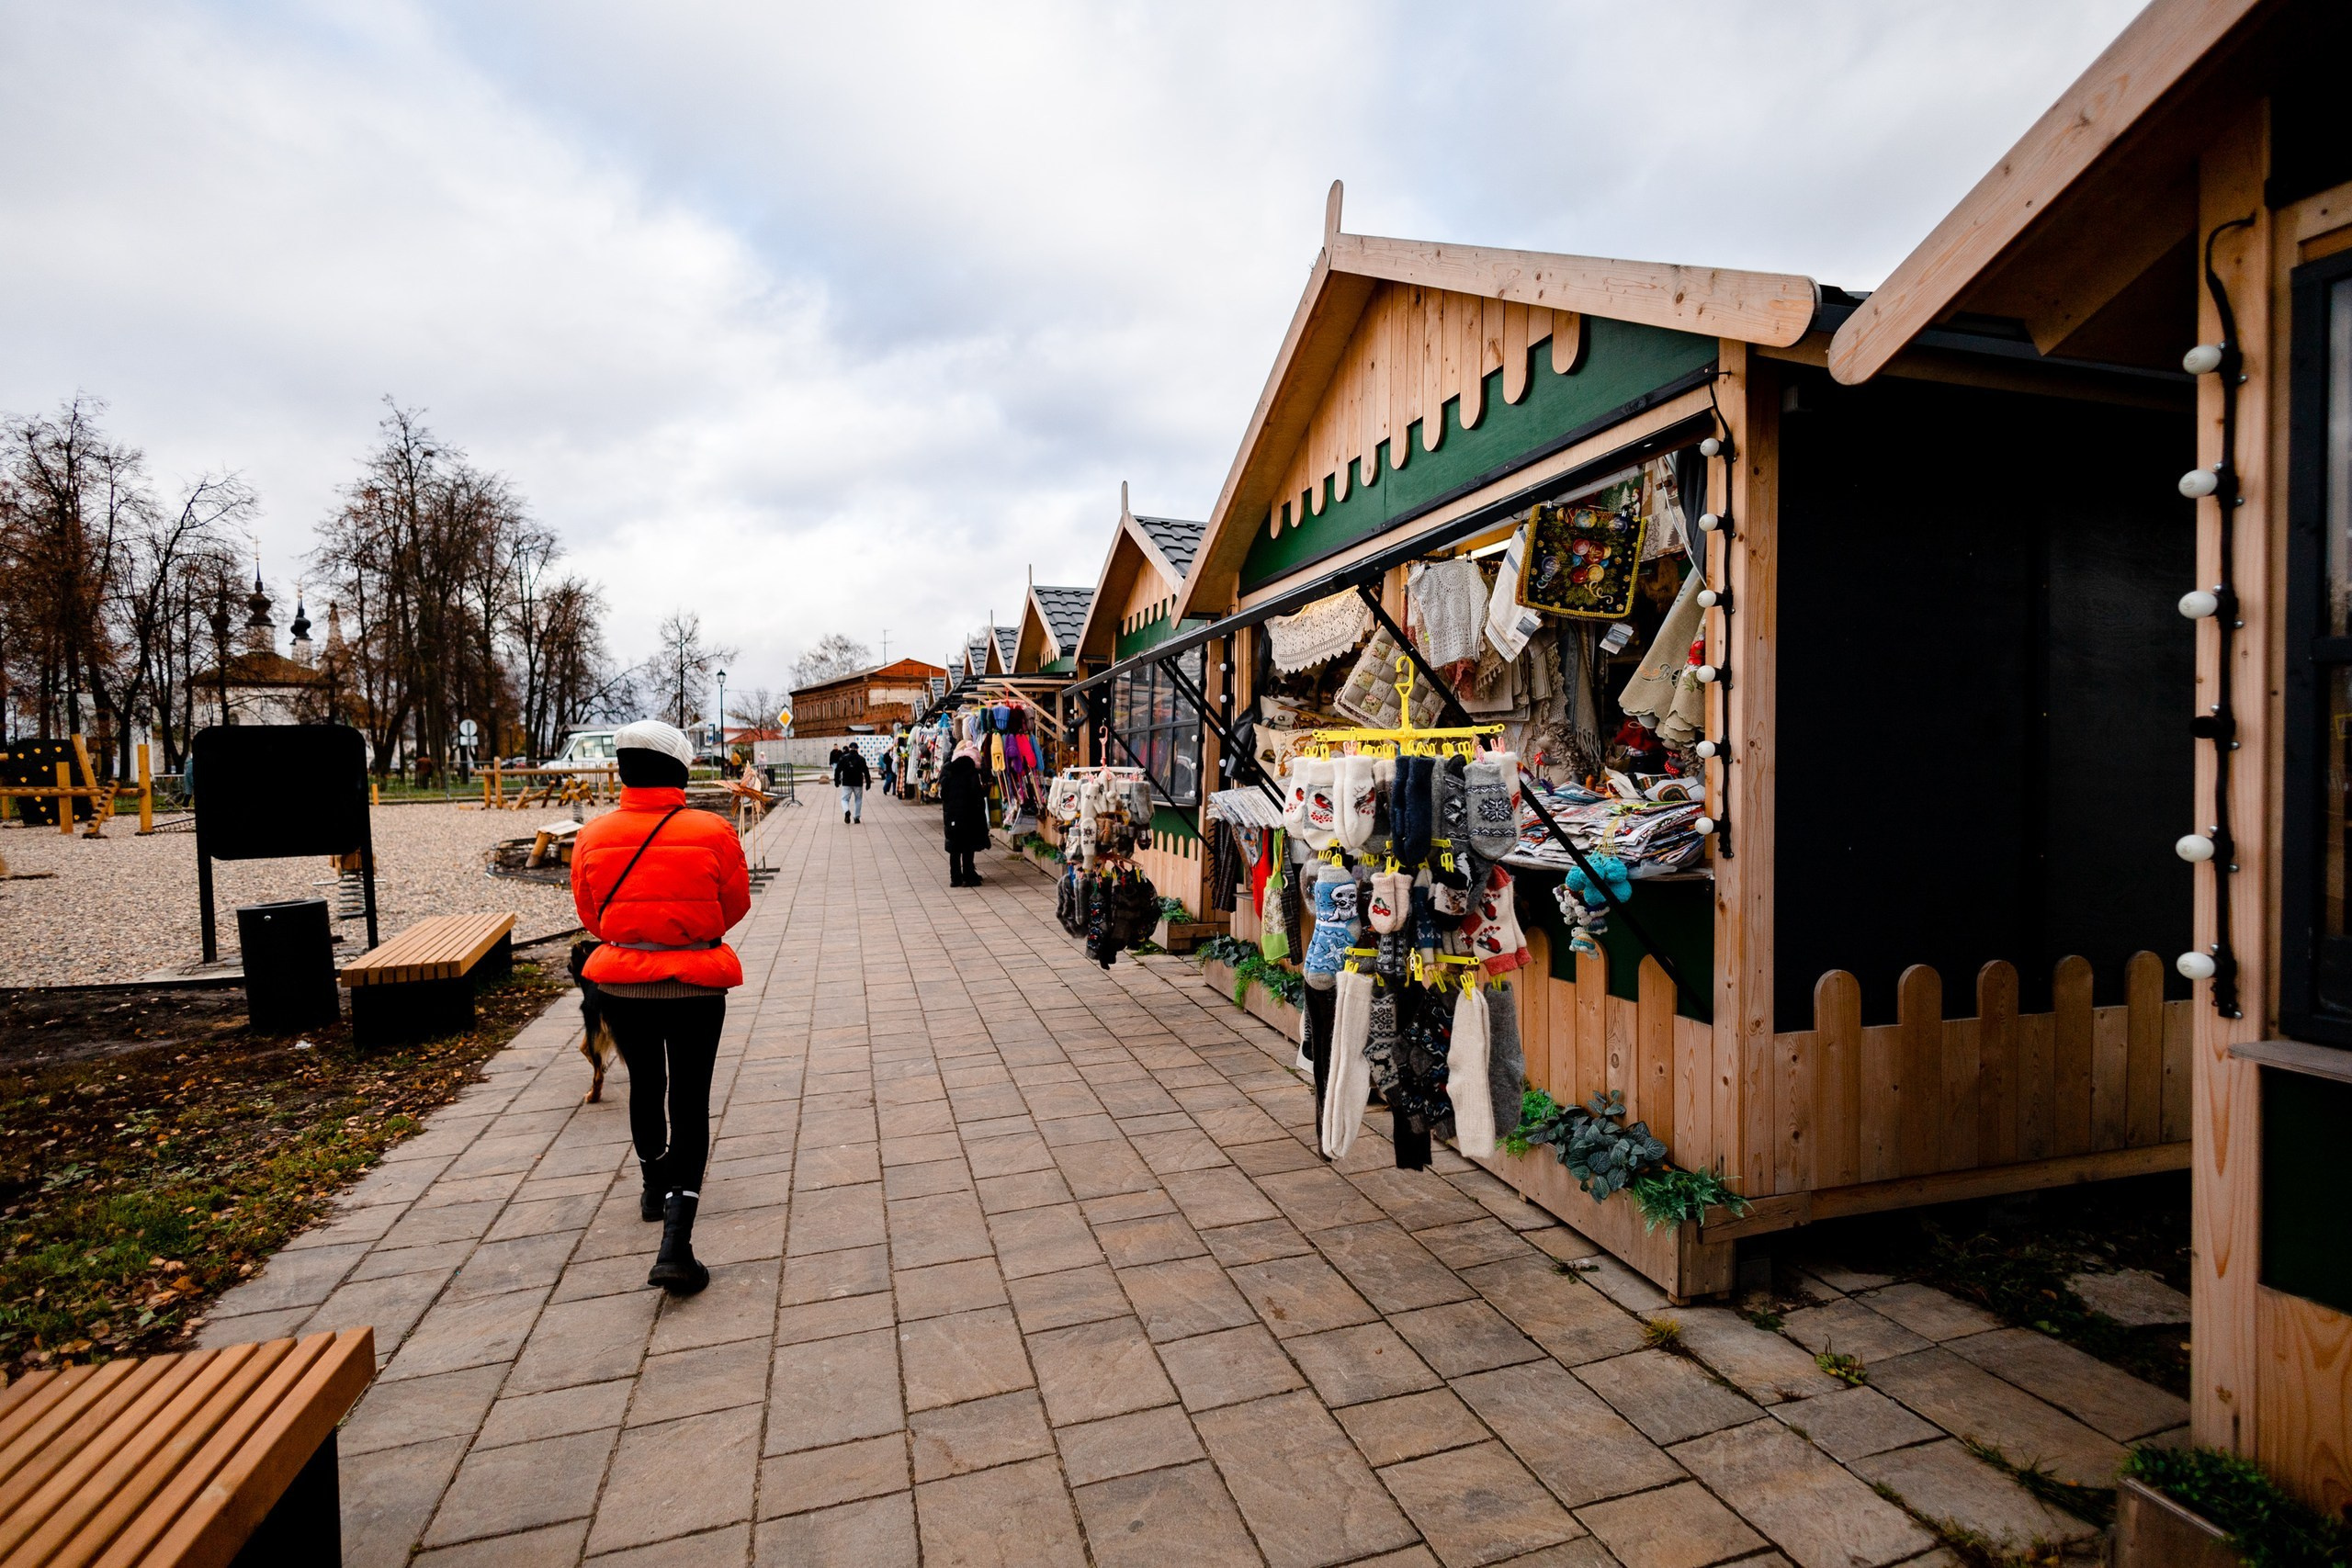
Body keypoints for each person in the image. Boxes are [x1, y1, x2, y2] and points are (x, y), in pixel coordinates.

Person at [571, 718, 751, 1295]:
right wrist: (688, 931)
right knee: (690, 1097)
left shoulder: (593, 836)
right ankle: (677, 1242)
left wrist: (636, 934)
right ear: (680, 769)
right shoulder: (713, 830)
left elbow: (590, 915)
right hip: (696, 983)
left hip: (623, 985)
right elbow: (734, 904)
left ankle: (652, 1186)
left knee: (646, 1084)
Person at [940, 739, 990, 886]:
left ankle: (955, 878)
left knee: (954, 848)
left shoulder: (947, 771)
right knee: (968, 846)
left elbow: (943, 794)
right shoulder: (971, 772)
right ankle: (969, 877)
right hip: (969, 815)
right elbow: (976, 794)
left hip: (951, 815)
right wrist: (985, 791)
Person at [833, 743, 870, 823]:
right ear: (857, 749)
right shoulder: (861, 759)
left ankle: (846, 811)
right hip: (858, 782)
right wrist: (868, 782)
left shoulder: (843, 758)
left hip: (846, 782)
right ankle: (856, 817)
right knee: (858, 799)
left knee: (844, 799)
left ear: (849, 749)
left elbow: (837, 770)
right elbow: (866, 771)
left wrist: (836, 781)